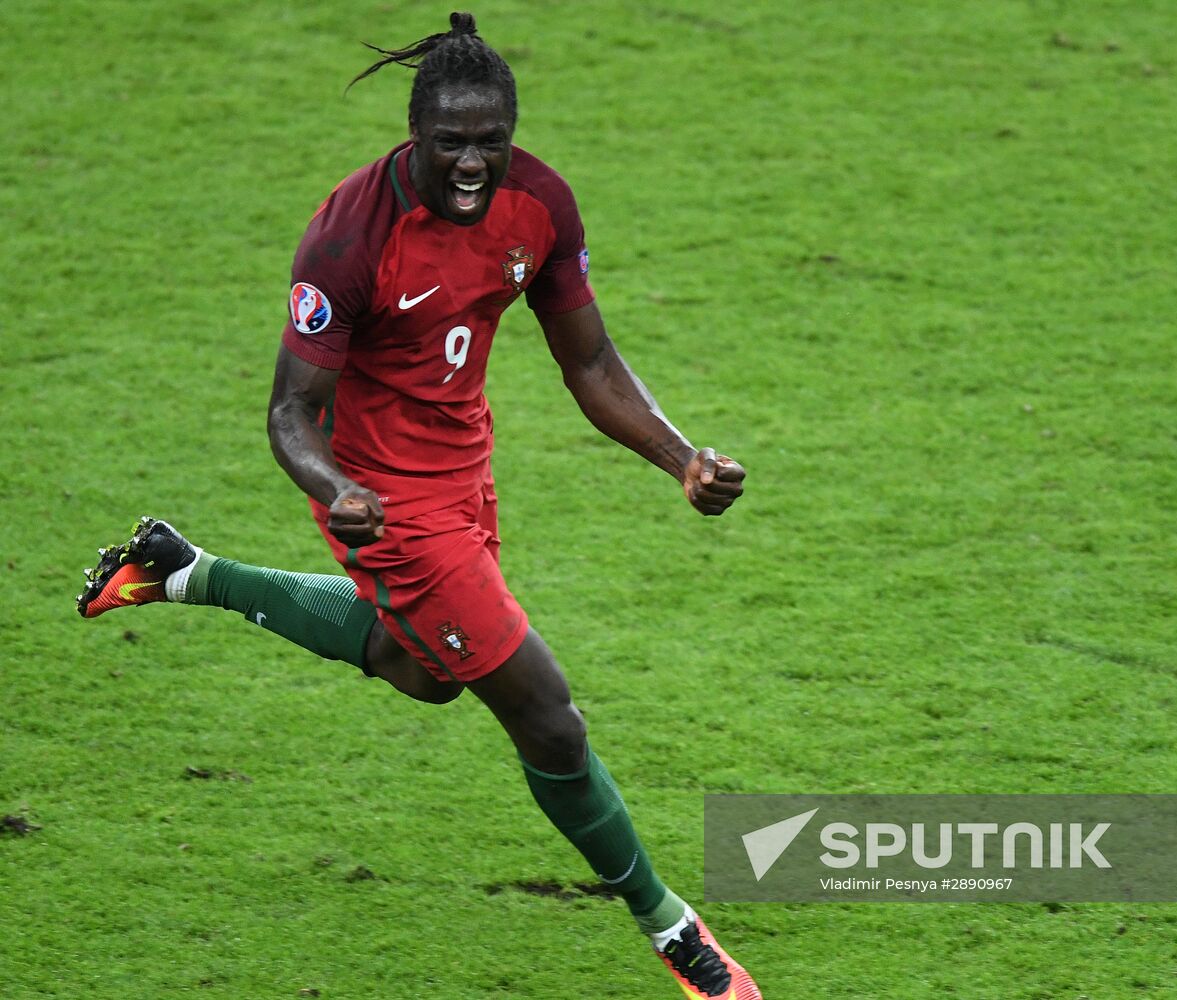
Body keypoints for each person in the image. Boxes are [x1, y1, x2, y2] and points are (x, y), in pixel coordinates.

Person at [76, 12, 759, 999]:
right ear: (415, 136)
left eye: (492, 141)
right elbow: (289, 414)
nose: (474, 164)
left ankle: (181, 569)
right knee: (550, 721)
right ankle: (674, 929)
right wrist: (336, 489)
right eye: (452, 145)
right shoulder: (350, 235)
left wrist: (680, 458)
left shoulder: (541, 205)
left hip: (465, 469)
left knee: (427, 671)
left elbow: (592, 360)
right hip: (383, 498)